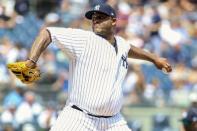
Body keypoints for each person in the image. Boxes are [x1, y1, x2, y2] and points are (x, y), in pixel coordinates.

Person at [24, 3, 172, 131]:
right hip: (79, 118)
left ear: (113, 21)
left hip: (113, 122)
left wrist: (154, 59)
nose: (96, 21)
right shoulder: (84, 39)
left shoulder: (120, 43)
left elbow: (129, 48)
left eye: (101, 17)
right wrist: (32, 60)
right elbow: (48, 32)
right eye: (94, 18)